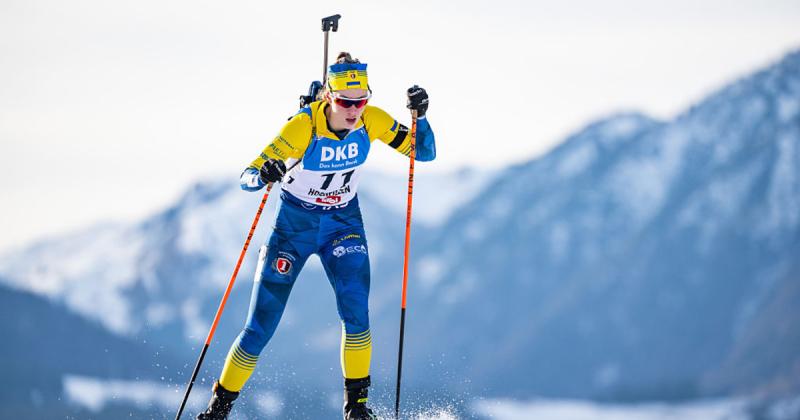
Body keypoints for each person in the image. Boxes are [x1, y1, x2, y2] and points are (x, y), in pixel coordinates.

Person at [197, 52, 436, 420]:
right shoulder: (302, 127)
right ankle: (218, 410)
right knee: (260, 326)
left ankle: (357, 408)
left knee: (357, 313)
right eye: (345, 102)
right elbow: (247, 176)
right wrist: (264, 174)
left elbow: (424, 153)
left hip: (343, 224)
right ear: (328, 97)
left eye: (361, 101)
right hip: (294, 228)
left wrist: (421, 117)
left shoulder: (371, 120)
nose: (354, 110)